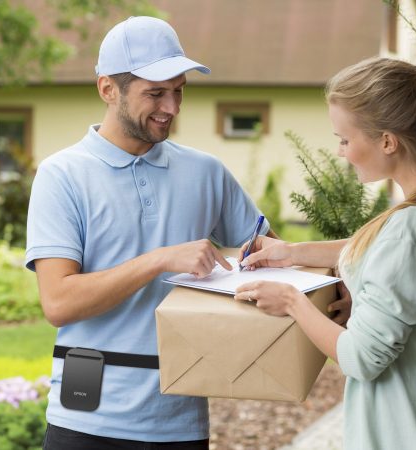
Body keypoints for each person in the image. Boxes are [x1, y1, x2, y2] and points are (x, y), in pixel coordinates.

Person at [26, 16, 275, 450]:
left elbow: (270, 253)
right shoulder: (62, 175)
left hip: (181, 421)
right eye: (155, 93)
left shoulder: (206, 172)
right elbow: (59, 302)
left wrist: (335, 274)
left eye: (179, 90)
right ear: (108, 89)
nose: (172, 107)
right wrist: (159, 259)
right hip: (87, 423)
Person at [235, 57, 416, 449]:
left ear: (388, 141)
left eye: (344, 139)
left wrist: (290, 301)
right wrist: (293, 251)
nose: (340, 151)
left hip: (406, 436)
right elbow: (385, 251)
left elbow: (360, 359)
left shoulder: (409, 231)